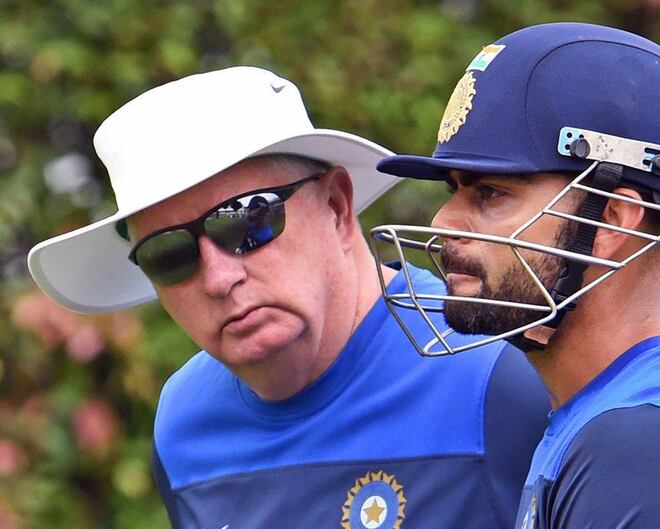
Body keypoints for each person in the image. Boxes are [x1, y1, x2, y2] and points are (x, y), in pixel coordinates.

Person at [26, 66, 551, 529]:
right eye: (169, 255)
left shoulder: (497, 367)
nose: (218, 277)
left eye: (249, 220)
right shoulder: (184, 424)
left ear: (338, 208)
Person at [372, 23, 660, 528]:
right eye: (453, 190)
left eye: (491, 192)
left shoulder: (648, 443)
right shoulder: (600, 421)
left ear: (613, 220)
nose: (443, 223)